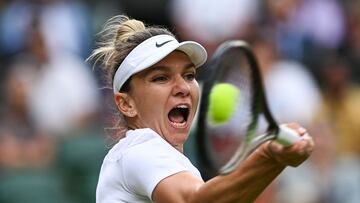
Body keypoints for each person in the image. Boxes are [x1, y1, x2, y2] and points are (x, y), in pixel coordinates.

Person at [88, 15, 314, 203]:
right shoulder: (138, 149)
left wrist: (274, 159)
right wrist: (270, 156)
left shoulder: (171, 164)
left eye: (189, 75)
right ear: (127, 104)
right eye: (161, 78)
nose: (183, 88)